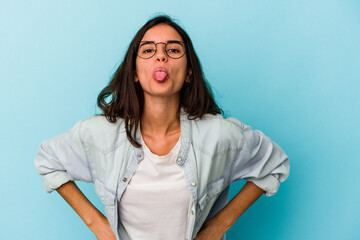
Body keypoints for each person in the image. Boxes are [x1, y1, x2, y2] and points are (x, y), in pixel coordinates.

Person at [34, 15, 289, 240]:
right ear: (134, 72)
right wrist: (98, 225)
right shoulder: (100, 134)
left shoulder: (218, 135)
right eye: (147, 50)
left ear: (189, 72)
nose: (161, 55)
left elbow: (274, 164)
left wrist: (219, 226)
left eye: (174, 50)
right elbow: (48, 160)